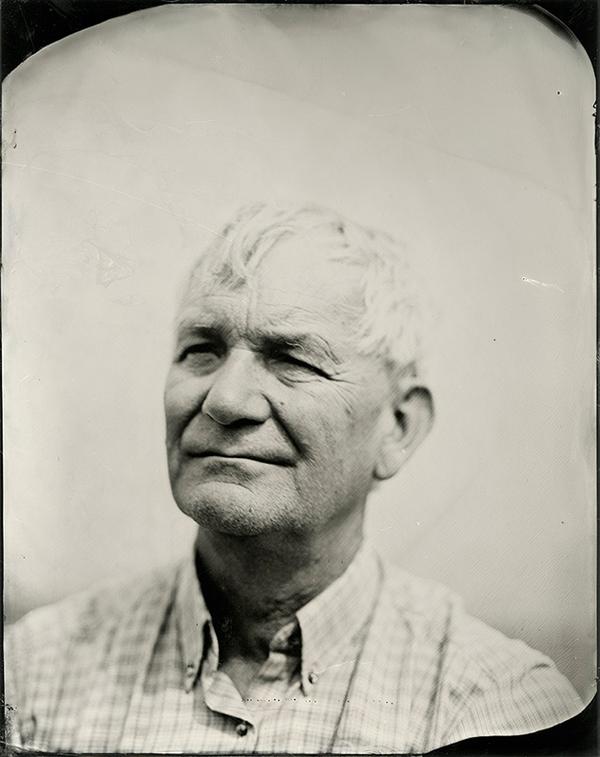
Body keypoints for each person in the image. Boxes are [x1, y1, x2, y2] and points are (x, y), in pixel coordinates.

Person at [5, 204, 583, 753]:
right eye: (201, 349)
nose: (225, 401)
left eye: (293, 361)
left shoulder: (496, 704)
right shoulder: (35, 672)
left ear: (398, 427)